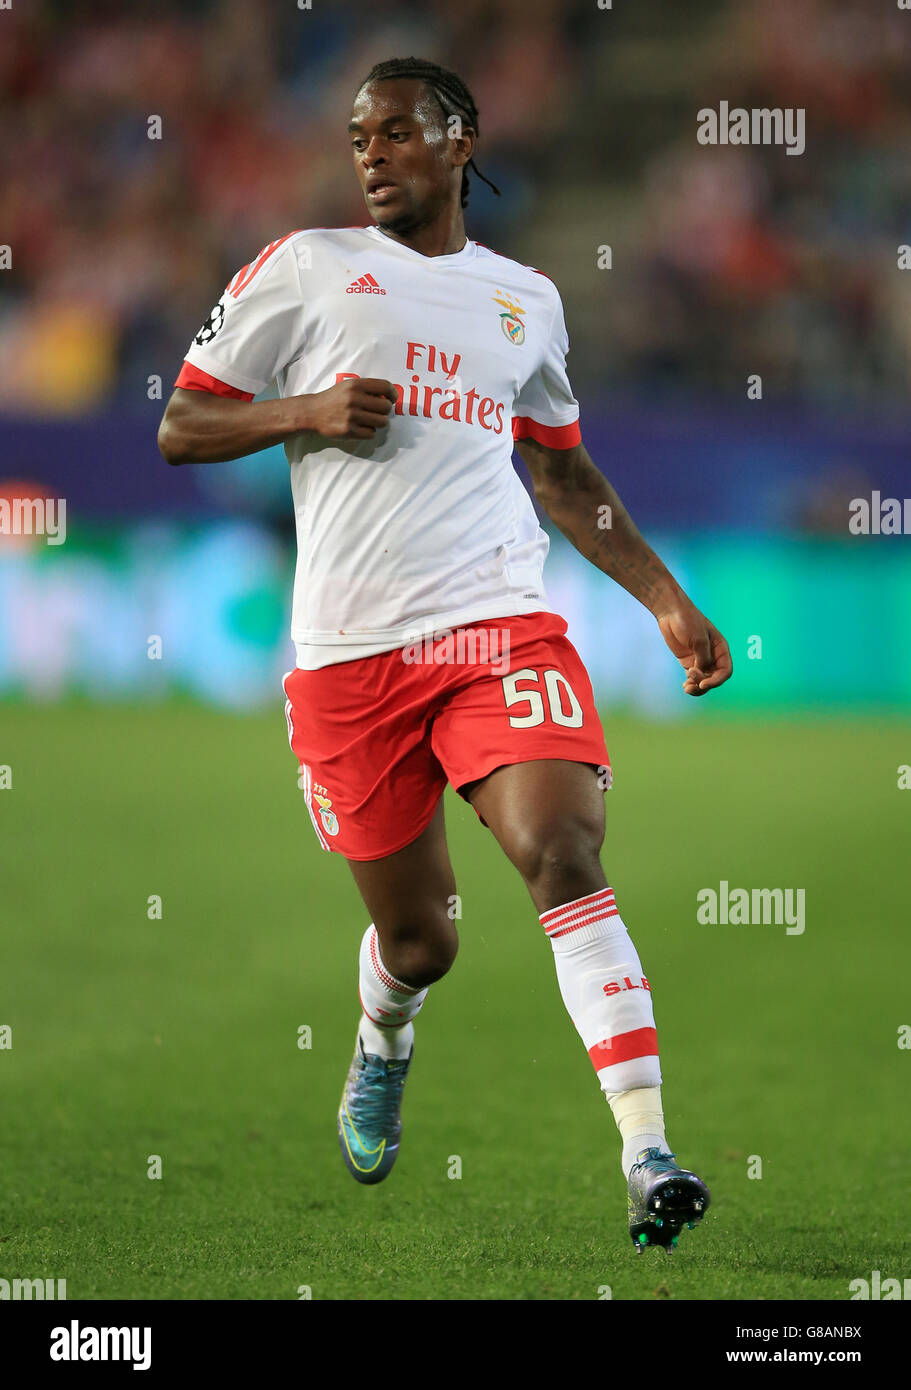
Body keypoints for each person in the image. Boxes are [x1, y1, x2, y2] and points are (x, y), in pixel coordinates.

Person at [158, 56, 733, 1252]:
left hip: (495, 623)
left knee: (560, 849)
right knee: (424, 939)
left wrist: (664, 603)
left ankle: (645, 1150)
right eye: (358, 135)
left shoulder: (522, 300)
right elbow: (182, 422)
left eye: (397, 132)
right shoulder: (303, 269)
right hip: (347, 660)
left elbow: (560, 473)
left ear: (459, 142)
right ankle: (383, 1035)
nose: (369, 152)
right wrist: (301, 413)